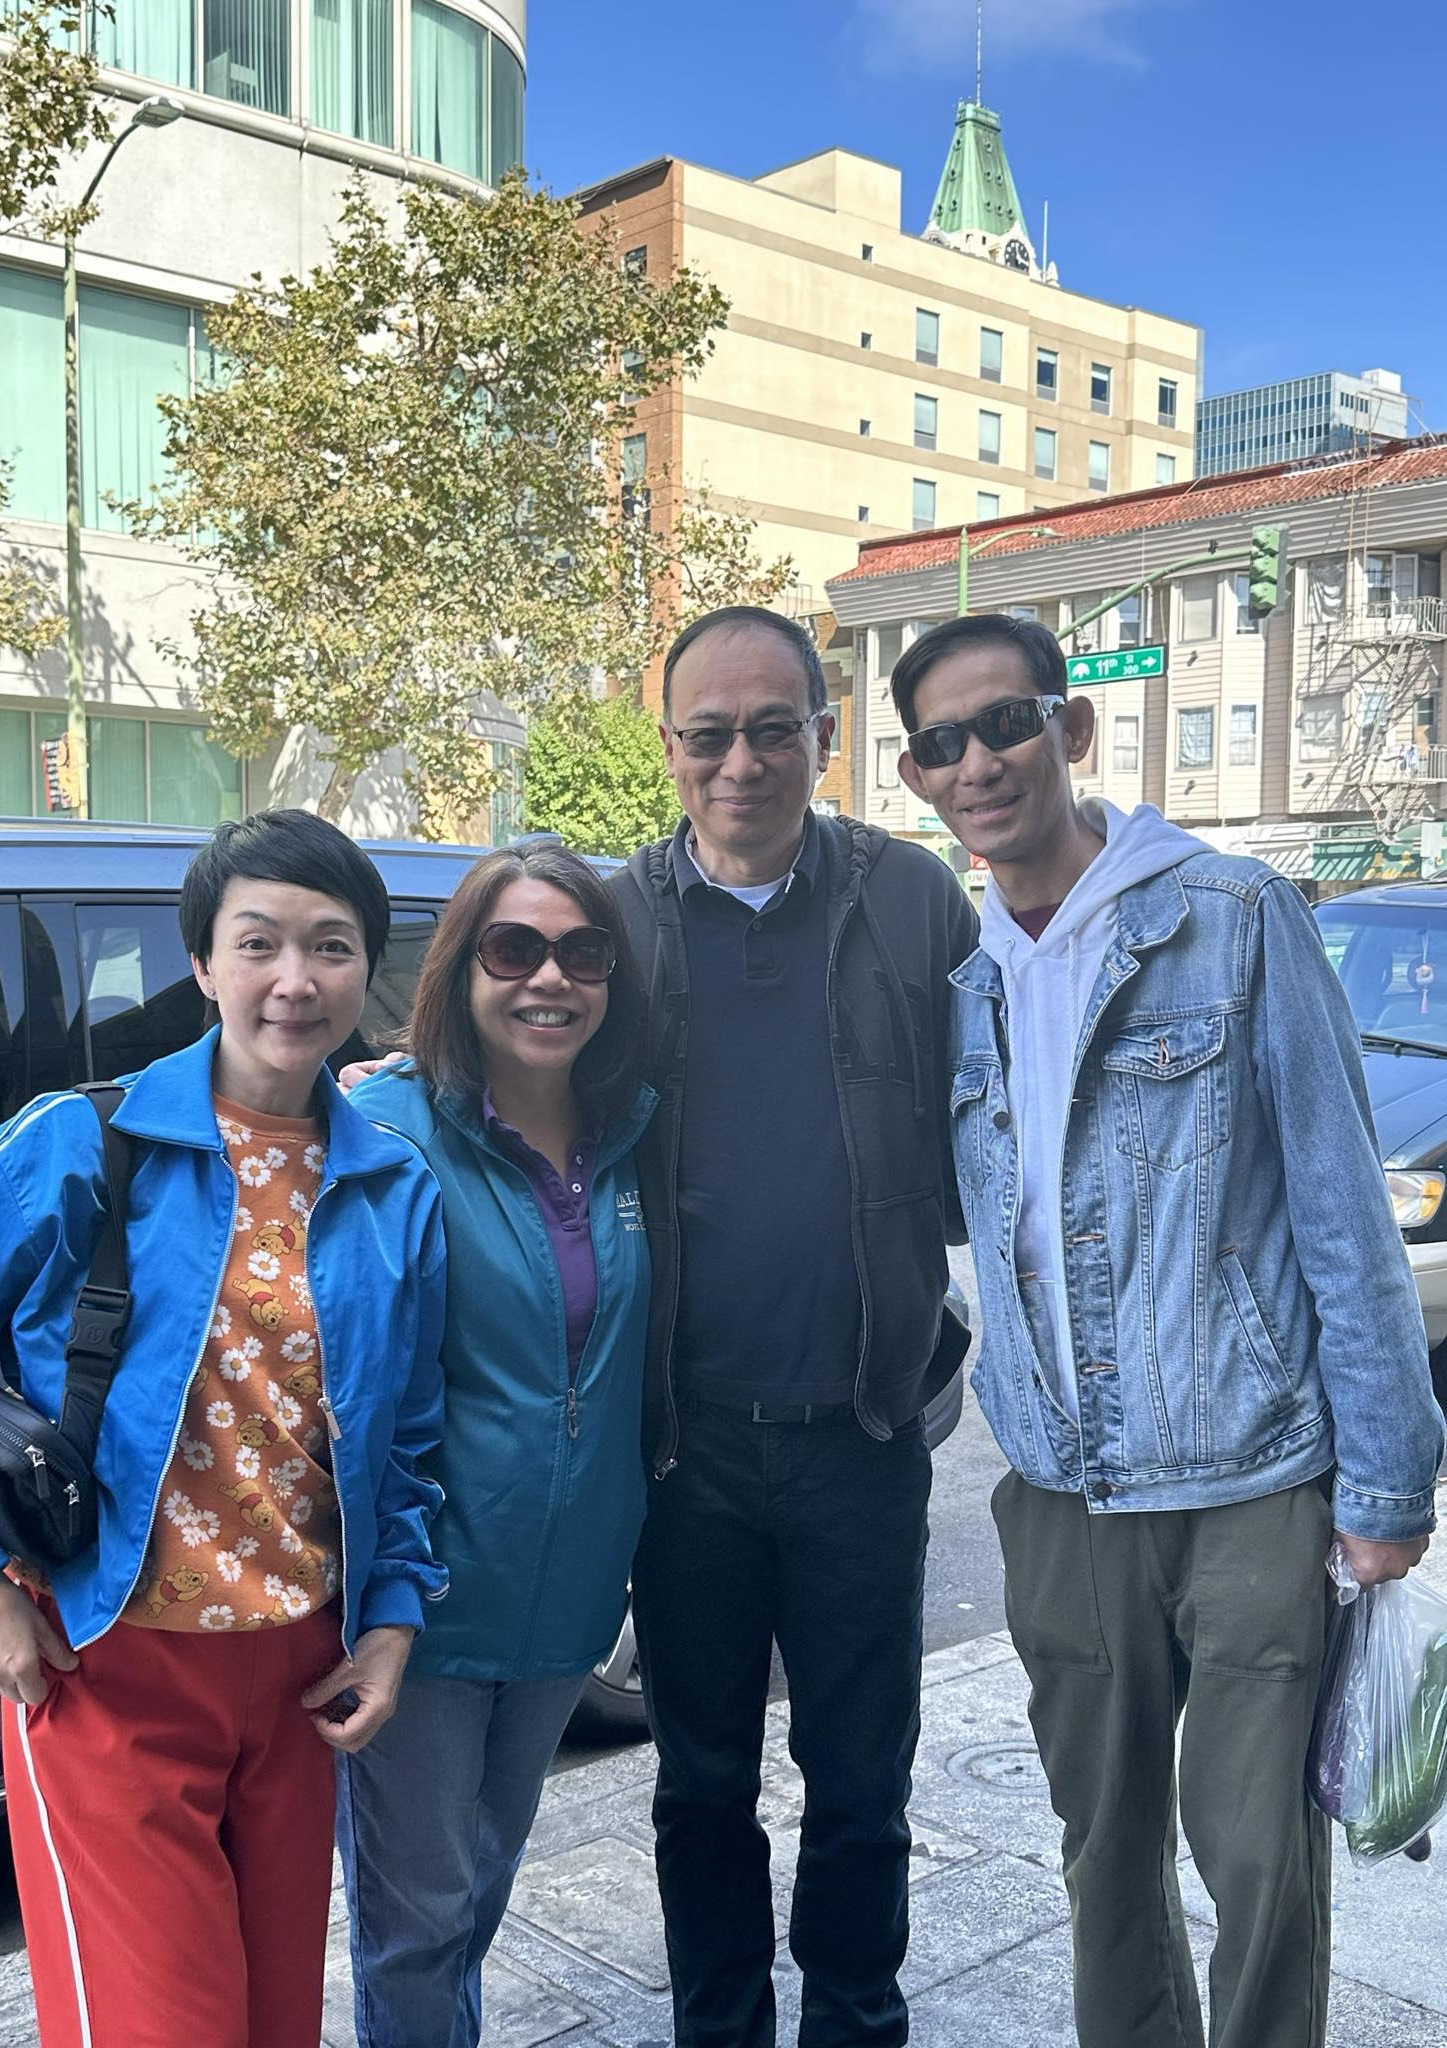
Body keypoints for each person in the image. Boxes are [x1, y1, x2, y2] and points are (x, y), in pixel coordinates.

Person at [892, 612, 1445, 2048]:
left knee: (1261, 1867)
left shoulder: (1232, 916)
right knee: (1104, 1857)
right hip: (1062, 1494)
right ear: (917, 776)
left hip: (1246, 1476)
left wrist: (1388, 1485)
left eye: (1005, 722)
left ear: (1070, 729)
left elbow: (1343, 1209)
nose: (978, 761)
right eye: (942, 743)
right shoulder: (967, 985)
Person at [0, 810, 448, 2048]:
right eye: (258, 942)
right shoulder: (82, 1141)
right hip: (107, 1662)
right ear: (202, 962)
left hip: (299, 1673)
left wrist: (391, 1622)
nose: (295, 978)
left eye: (331, 945)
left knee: (273, 2024)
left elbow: (408, 1434)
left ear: (368, 969)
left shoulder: (392, 1185)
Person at [612, 606, 978, 2048]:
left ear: (827, 737)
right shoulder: (614, 920)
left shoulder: (914, 900)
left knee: (862, 1780)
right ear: (669, 748)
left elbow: (999, 1114)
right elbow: (505, 1073)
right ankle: (721, 2028)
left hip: (862, 1434)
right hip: (682, 1450)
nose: (743, 762)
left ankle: (854, 2020)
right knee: (699, 1781)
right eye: (710, 734)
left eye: (776, 729)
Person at [335, 843, 654, 2048]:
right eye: (513, 948)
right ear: (461, 970)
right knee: (416, 1921)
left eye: (583, 951)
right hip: (421, 1610)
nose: (549, 978)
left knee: (476, 1894)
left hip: (567, 1602)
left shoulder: (633, 1129)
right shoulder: (385, 1126)